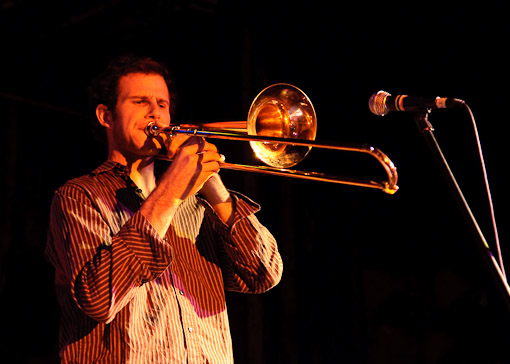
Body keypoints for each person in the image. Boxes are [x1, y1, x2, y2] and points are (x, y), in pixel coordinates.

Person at [45, 55, 283, 363]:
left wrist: (211, 182)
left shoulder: (196, 202)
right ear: (106, 116)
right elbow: (98, 298)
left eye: (162, 103)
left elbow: (263, 274)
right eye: (140, 102)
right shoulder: (78, 196)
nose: (154, 112)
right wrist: (169, 192)